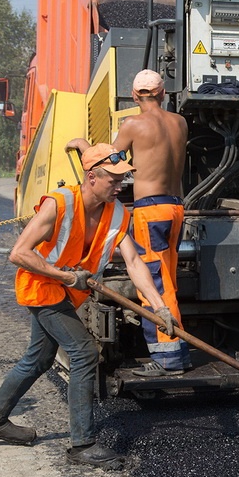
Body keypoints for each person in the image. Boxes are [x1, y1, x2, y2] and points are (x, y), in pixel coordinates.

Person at [0, 143, 177, 470]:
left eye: (122, 178)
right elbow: (19, 253)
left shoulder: (117, 213)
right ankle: (82, 444)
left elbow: (134, 262)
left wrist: (159, 307)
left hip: (67, 293)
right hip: (41, 287)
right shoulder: (60, 203)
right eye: (113, 179)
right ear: (91, 177)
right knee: (83, 352)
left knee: (38, 358)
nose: (119, 185)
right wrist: (66, 278)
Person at [66, 69, 191, 377]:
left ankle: (167, 359)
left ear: (135, 96)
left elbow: (110, 162)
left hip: (150, 210)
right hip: (176, 208)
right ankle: (179, 354)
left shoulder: (133, 124)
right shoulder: (180, 123)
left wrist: (83, 146)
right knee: (168, 281)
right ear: (163, 94)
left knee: (155, 285)